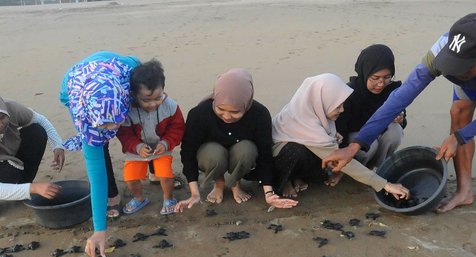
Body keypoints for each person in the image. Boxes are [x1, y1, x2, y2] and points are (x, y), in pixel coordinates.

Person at [322, 13, 476, 213]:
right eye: (452, 66)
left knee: (461, 132)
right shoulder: (443, 47)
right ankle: (465, 191)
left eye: (462, 68)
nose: (455, 73)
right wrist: (355, 146)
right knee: (459, 113)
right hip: (474, 82)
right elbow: (399, 99)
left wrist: (460, 136)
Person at [176, 68, 298, 212]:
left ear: (247, 103)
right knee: (213, 154)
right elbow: (188, 152)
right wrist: (195, 194)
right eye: (220, 109)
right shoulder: (199, 114)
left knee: (246, 150)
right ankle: (219, 182)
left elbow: (265, 154)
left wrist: (269, 194)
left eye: (235, 112)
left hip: (242, 152)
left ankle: (236, 184)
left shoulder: (259, 114)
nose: (227, 116)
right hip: (211, 154)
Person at [271, 73, 410, 200]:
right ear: (322, 101)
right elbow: (344, 161)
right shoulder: (301, 120)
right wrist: (385, 185)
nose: (342, 110)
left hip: (306, 153)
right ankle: (284, 181)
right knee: (297, 150)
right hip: (275, 164)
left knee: (322, 153)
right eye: (338, 106)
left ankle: (299, 177)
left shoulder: (315, 110)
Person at [60, 51, 141, 257]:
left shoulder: (130, 72)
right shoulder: (82, 112)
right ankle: (112, 195)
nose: (113, 127)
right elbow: (95, 177)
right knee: (97, 144)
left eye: (116, 119)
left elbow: (148, 81)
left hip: (114, 72)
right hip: (75, 86)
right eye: (105, 123)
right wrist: (99, 230)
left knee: (139, 123)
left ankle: (151, 171)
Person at [116, 59, 185, 215]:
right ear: (134, 95)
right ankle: (139, 198)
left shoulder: (171, 106)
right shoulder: (127, 110)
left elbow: (177, 127)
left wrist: (166, 143)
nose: (153, 104)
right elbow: (124, 134)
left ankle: (169, 199)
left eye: (158, 98)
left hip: (162, 147)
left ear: (163, 90)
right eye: (146, 100)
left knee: (166, 176)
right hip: (136, 149)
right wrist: (137, 147)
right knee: (130, 178)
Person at [336, 44, 407, 169]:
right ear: (365, 73)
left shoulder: (393, 90)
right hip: (353, 141)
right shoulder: (349, 93)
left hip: (378, 135)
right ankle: (357, 171)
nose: (381, 83)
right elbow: (340, 130)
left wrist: (400, 119)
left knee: (395, 130)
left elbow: (402, 121)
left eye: (387, 77)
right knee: (369, 145)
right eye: (375, 78)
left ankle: (381, 168)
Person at [0, 96, 64, 201]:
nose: (0, 125)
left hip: (8, 157)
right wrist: (32, 188)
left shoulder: (10, 107)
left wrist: (57, 145)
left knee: (36, 132)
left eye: (2, 117)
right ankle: (23, 189)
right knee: (9, 173)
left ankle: (22, 184)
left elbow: (40, 120)